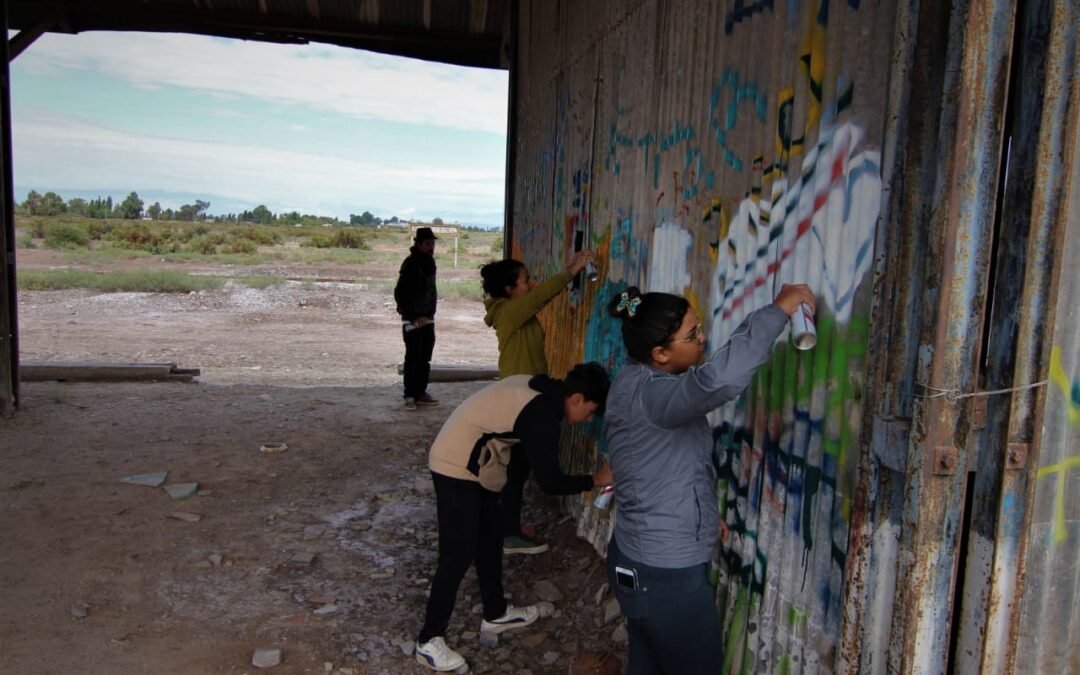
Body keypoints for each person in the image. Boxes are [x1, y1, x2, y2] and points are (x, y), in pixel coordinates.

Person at [603, 283, 815, 674]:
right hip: (666, 576)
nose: (703, 340)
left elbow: (662, 468)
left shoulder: (633, 380)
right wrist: (778, 312)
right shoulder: (656, 397)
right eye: (692, 335)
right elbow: (718, 381)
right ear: (660, 354)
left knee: (648, 662)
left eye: (698, 327)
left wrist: (700, 517)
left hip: (636, 557)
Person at [414, 363, 613, 672]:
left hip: (478, 465)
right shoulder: (542, 413)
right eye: (590, 411)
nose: (588, 419)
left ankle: (495, 614)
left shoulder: (543, 391)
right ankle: (428, 640)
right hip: (455, 463)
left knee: (490, 541)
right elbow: (550, 482)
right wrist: (594, 480)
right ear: (576, 398)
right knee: (458, 552)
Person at [479, 249, 594, 555]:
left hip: (525, 396)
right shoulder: (509, 310)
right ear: (509, 289)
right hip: (519, 402)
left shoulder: (513, 311)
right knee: (517, 469)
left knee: (517, 469)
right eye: (525, 280)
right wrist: (571, 271)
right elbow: (540, 297)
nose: (531, 284)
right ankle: (507, 534)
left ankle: (508, 528)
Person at [394, 227, 439, 411]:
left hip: (428, 318)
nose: (431, 247)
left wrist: (429, 314)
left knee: (424, 357)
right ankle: (410, 395)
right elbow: (400, 293)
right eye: (428, 244)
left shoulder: (429, 262)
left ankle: (420, 393)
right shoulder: (411, 263)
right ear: (418, 244)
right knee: (413, 357)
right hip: (413, 320)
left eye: (433, 244)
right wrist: (413, 317)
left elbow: (430, 291)